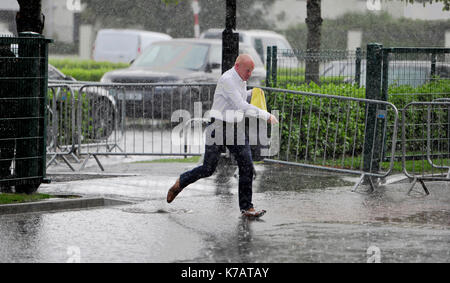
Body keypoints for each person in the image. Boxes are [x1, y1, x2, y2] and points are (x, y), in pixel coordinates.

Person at [166, 54, 278, 217]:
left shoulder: (241, 79)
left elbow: (239, 100)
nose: (249, 75)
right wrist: (265, 115)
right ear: (237, 66)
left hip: (235, 128)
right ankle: (180, 183)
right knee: (208, 168)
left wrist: (251, 93)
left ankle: (247, 208)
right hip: (218, 127)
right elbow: (240, 104)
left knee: (246, 165)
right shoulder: (227, 79)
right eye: (248, 71)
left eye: (251, 72)